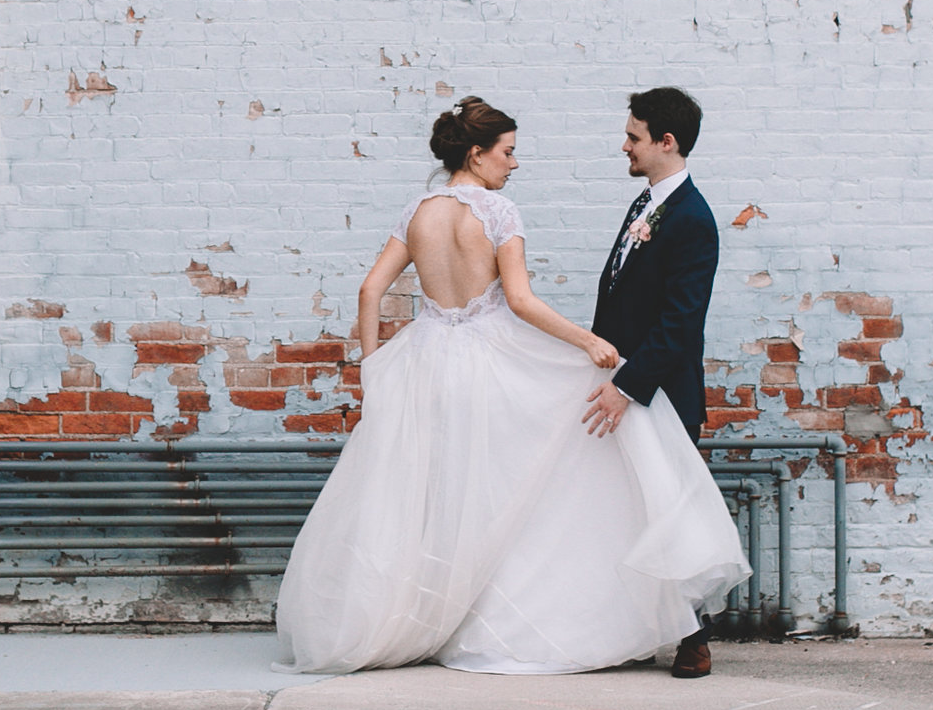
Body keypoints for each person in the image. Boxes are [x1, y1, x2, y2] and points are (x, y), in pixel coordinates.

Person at [275, 95, 748, 675]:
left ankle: (681, 633)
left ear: (664, 142)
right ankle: (572, 618)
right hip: (497, 361)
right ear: (477, 155)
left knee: (440, 492)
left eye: (633, 136)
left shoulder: (418, 210)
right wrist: (586, 346)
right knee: (518, 490)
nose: (515, 164)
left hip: (430, 361)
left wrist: (374, 372)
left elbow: (370, 292)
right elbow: (520, 301)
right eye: (508, 152)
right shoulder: (504, 213)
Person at [583, 86, 724, 677]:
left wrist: (628, 385)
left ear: (666, 142)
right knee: (623, 513)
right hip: (620, 381)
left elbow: (679, 322)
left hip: (660, 390)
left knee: (673, 516)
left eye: (634, 137)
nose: (625, 146)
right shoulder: (645, 205)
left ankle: (694, 637)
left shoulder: (692, 219)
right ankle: (633, 628)